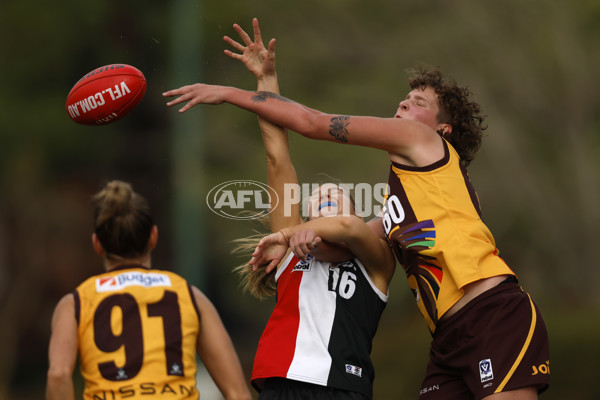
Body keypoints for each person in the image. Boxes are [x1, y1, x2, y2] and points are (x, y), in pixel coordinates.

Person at [163, 18, 550, 400]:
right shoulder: (405, 203)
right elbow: (339, 230)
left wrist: (229, 93)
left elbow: (312, 124)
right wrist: (267, 82)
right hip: (448, 335)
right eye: (405, 97)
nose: (403, 102)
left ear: (442, 130)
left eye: (418, 103)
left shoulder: (421, 139)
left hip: (489, 312)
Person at [223, 20, 396, 399]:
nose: (325, 197)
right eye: (317, 199)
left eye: (336, 196)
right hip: (281, 381)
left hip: (342, 386)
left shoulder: (375, 261)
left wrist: (300, 232)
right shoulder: (288, 249)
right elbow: (276, 155)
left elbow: (350, 228)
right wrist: (266, 81)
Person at [46, 180, 251, 400]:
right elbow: (237, 393)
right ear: (153, 237)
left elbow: (59, 375)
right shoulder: (190, 296)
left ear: (97, 244)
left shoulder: (75, 303)